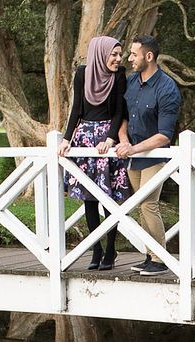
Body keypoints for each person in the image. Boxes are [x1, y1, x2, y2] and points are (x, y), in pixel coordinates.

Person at [58, 36, 131, 271]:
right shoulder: (82, 73)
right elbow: (76, 109)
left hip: (106, 138)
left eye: (120, 55)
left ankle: (110, 248)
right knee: (89, 198)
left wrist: (110, 138)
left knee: (109, 197)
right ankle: (95, 248)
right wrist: (67, 138)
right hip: (85, 138)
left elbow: (120, 110)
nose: (118, 59)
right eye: (114, 55)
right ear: (101, 53)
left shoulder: (119, 76)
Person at [114, 34, 182, 277]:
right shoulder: (131, 82)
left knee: (147, 203)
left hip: (155, 156)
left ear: (149, 56)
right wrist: (123, 140)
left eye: (134, 54)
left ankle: (161, 259)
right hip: (132, 156)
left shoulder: (167, 88)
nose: (129, 58)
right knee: (140, 206)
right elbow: (121, 116)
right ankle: (150, 256)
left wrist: (133, 148)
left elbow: (164, 135)